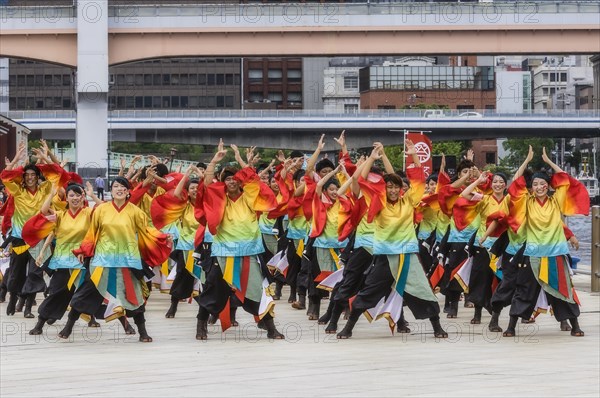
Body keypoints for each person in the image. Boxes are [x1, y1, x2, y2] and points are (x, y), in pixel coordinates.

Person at [336, 141, 447, 339]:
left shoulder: (408, 201)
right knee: (368, 291)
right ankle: (348, 327)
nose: (394, 190)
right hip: (385, 257)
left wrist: (412, 155)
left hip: (407, 256)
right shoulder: (377, 202)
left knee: (423, 290)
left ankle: (437, 327)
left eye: (397, 187)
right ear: (384, 189)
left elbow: (418, 179)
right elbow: (360, 179)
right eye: (389, 187)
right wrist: (373, 157)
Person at [64, 177, 171, 342]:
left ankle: (143, 332)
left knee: (134, 297)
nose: (119, 189)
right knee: (84, 294)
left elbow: (147, 230)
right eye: (115, 186)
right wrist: (83, 250)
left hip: (127, 261)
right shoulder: (101, 209)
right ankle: (68, 328)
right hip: (102, 261)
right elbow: (92, 232)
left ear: (128, 191)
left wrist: (163, 237)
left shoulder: (135, 212)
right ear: (111, 190)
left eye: (123, 186)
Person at [195, 142, 284, 340]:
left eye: (234, 178)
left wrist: (240, 160)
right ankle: (201, 325)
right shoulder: (218, 198)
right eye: (226, 178)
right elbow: (207, 185)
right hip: (223, 253)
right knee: (212, 290)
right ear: (222, 182)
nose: (231, 181)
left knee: (259, 290)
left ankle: (270, 328)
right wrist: (214, 160)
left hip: (249, 252)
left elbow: (253, 180)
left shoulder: (250, 197)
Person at [502, 147, 589, 337]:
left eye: (543, 184)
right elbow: (514, 186)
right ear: (531, 187)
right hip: (532, 254)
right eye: (535, 184)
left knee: (563, 290)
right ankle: (510, 326)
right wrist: (527, 159)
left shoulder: (555, 200)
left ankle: (575, 325)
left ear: (548, 186)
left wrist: (549, 161)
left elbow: (565, 178)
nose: (539, 187)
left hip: (555, 254)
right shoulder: (527, 201)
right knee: (524, 290)